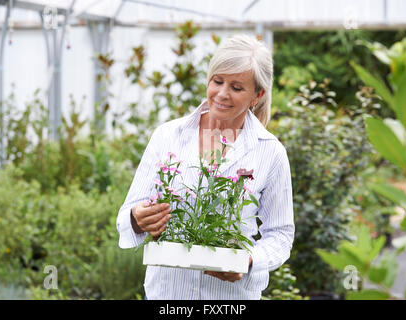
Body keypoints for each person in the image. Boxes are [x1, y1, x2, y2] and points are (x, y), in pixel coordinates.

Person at [116, 34, 294, 300]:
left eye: (236, 87)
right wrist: (137, 219)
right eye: (217, 81)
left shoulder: (269, 151)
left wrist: (248, 260)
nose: (222, 94)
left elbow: (280, 234)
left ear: (257, 95)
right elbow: (127, 215)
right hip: (168, 295)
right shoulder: (168, 136)